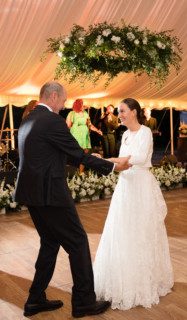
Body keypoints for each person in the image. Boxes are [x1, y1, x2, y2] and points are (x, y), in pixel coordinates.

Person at [13, 81, 131, 318]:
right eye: (64, 100)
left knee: (50, 243)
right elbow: (76, 154)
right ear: (54, 96)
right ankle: (84, 302)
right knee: (77, 242)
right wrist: (111, 167)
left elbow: (50, 154)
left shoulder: (28, 119)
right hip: (51, 194)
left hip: (31, 193)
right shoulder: (52, 120)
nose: (64, 105)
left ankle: (35, 300)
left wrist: (94, 158)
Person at [93, 98, 173, 310]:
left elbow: (135, 158)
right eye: (119, 111)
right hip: (126, 185)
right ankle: (123, 278)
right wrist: (115, 161)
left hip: (140, 185)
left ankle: (142, 281)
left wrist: (105, 160)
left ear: (135, 112)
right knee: (121, 231)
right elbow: (123, 160)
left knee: (141, 231)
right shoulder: (126, 134)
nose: (119, 115)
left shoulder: (145, 132)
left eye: (122, 111)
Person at [66, 99, 102, 174]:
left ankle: (80, 173)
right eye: (82, 104)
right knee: (77, 154)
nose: (84, 106)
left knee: (84, 154)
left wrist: (97, 131)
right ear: (78, 105)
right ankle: (73, 172)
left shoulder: (86, 113)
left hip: (84, 136)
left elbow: (90, 125)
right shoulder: (72, 113)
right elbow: (68, 126)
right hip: (76, 135)